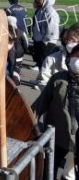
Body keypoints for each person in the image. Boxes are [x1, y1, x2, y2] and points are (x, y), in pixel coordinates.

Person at [32, 44, 79, 179]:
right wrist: (27, 121)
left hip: (77, 141)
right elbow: (39, 105)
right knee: (48, 171)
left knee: (70, 175)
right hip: (56, 137)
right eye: (76, 56)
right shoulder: (58, 79)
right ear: (69, 59)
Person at [36, 23, 79, 91]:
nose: (76, 44)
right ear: (66, 40)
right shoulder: (51, 60)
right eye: (72, 40)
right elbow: (43, 82)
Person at [32, 0, 61, 71]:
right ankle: (40, 78)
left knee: (45, 62)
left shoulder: (50, 12)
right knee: (40, 61)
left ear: (46, 0)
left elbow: (52, 28)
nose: (37, 0)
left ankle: (44, 81)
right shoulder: (40, 10)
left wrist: (44, 41)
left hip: (46, 41)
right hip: (40, 40)